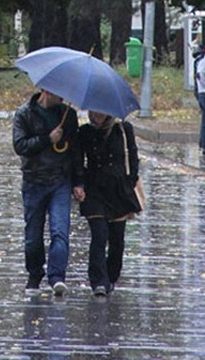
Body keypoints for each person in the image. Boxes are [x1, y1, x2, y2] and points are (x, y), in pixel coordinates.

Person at [12, 90, 84, 297]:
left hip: (60, 181)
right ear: (45, 90)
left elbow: (75, 150)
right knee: (33, 236)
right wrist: (47, 139)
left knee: (60, 231)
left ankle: (57, 277)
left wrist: (78, 181)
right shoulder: (24, 114)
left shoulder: (67, 115)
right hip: (34, 181)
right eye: (57, 92)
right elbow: (20, 146)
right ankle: (35, 274)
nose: (62, 95)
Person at [76, 111, 142, 297]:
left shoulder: (123, 129)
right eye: (93, 111)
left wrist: (130, 180)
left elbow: (133, 156)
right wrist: (79, 184)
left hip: (118, 190)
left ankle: (111, 276)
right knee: (99, 235)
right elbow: (78, 161)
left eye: (100, 112)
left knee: (117, 239)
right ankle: (98, 281)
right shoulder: (85, 132)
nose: (96, 115)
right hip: (95, 190)